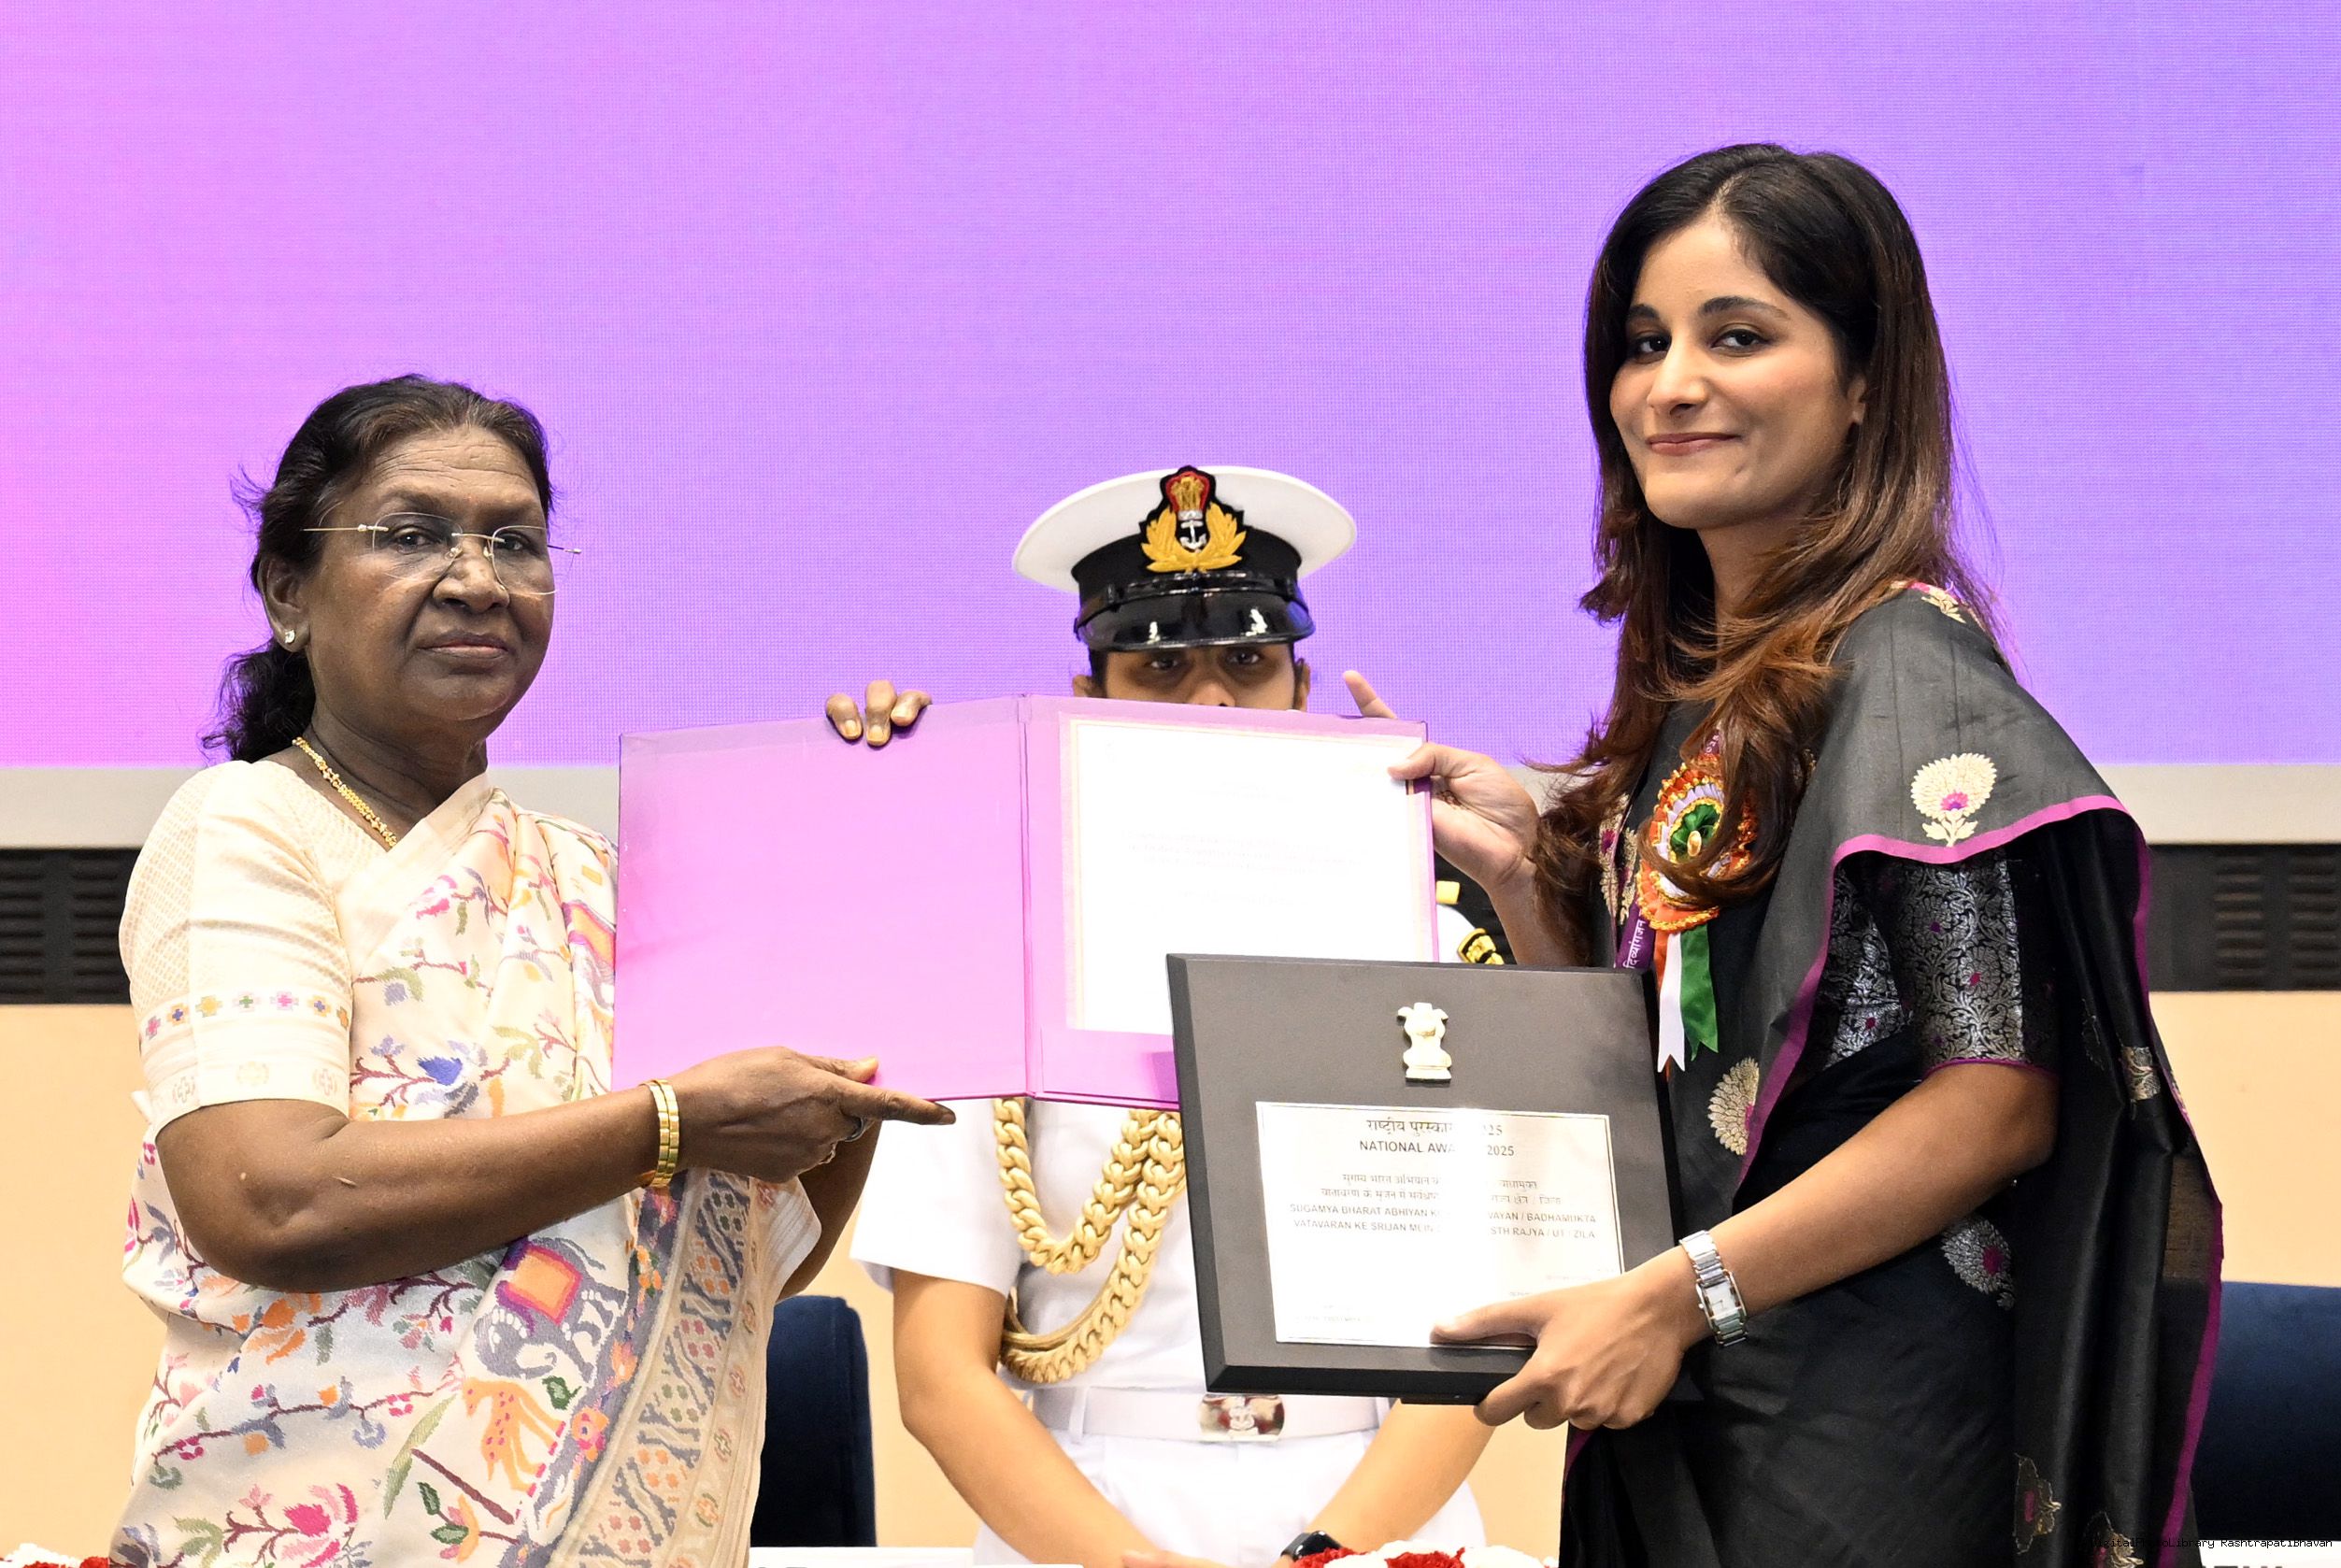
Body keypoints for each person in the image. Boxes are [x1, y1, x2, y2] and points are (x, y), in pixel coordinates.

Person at [1381, 146, 2220, 1566]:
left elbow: (1995, 1102)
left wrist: (1676, 1294)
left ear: (1866, 381)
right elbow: (1671, 1068)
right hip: (1704, 1400)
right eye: (1642, 342)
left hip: (1866, 1439)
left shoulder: (1908, 678)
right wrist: (1528, 884)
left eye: (1737, 336)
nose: (1670, 385)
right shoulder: (1711, 690)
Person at [114, 376, 951, 1567]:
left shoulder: (602, 882)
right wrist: (668, 1122)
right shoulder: (245, 828)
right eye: (411, 534)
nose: (477, 579)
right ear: (289, 588)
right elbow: (271, 1200)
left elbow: (747, 1254)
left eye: (514, 541)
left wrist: (863, 864)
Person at [833, 467, 1492, 1568]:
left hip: (1375, 1508)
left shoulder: (1423, 937)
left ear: (1302, 686)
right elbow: (942, 1374)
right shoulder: (997, 954)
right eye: (1161, 667)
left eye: (1249, 663)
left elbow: (1483, 1327)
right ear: (1089, 695)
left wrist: (1327, 1553)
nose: (1211, 703)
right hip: (1087, 1512)